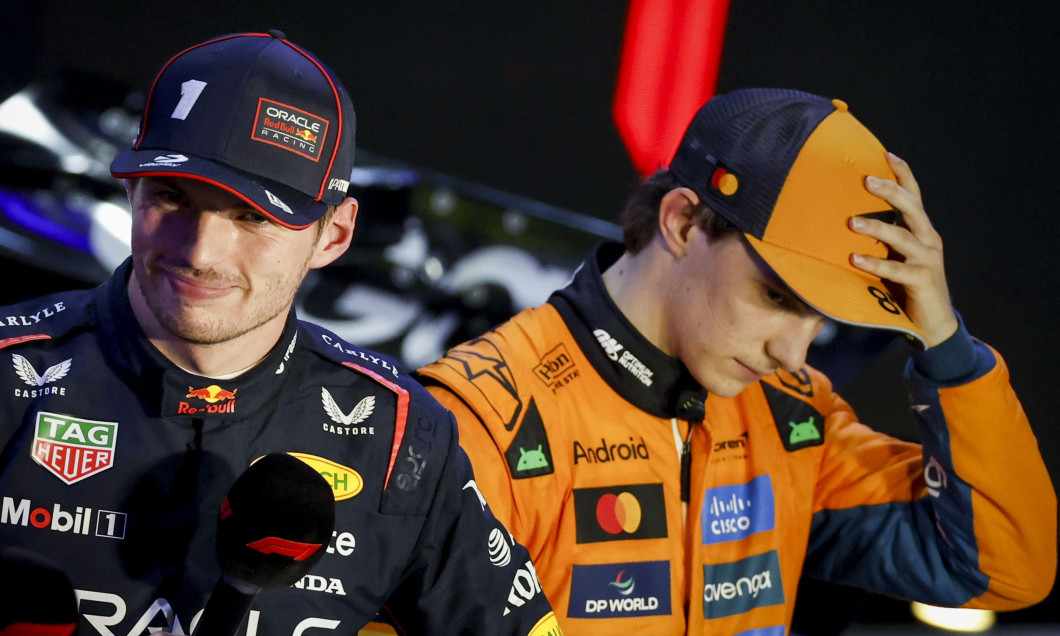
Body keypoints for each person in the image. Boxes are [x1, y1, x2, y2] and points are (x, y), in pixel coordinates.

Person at [416, 88, 1057, 634]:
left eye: (821, 317)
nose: (792, 353)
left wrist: (945, 346)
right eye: (777, 296)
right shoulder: (483, 422)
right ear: (682, 223)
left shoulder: (792, 420)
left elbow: (1006, 568)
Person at [0, 31, 564, 636]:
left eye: (254, 216)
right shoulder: (10, 376)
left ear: (334, 235)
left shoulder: (401, 436)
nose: (201, 252)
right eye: (172, 197)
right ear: (130, 190)